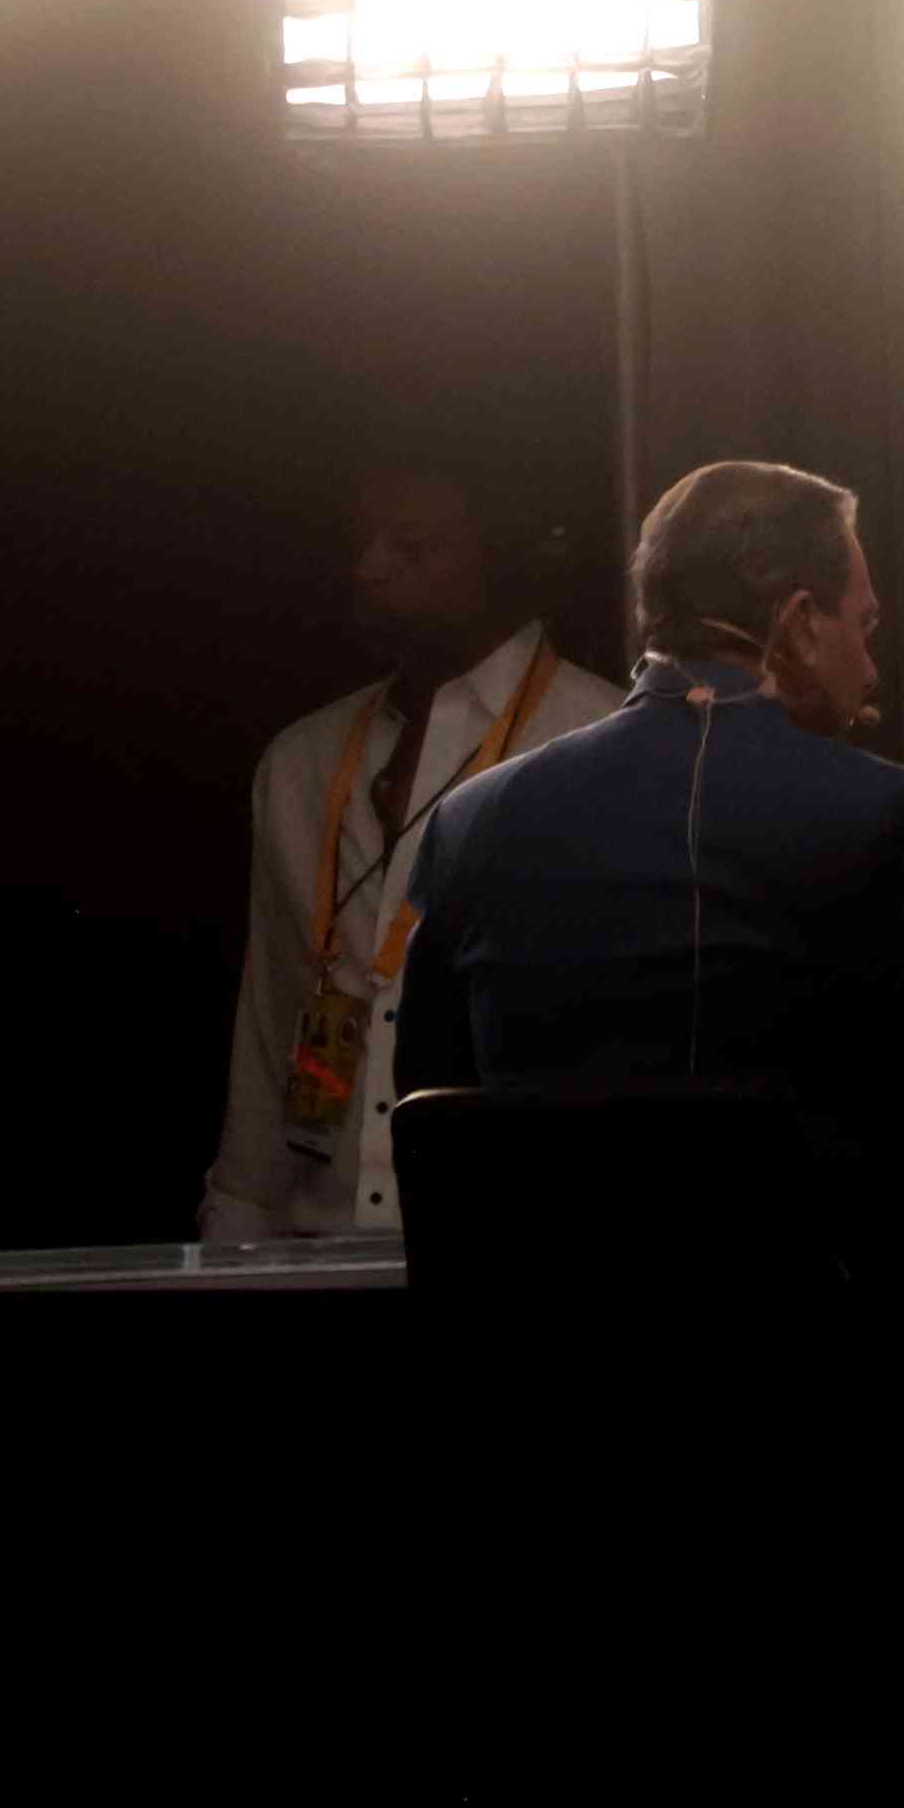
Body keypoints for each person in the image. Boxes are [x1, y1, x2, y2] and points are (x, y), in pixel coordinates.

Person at [391, 459, 904, 1275]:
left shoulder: (469, 822)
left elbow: (439, 1152)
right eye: (862, 629)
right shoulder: (884, 818)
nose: (869, 672)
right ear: (797, 624)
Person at [198, 459, 621, 1242]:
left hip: (513, 1263)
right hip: (308, 1254)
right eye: (363, 540)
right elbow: (269, 1017)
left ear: (501, 557)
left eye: (412, 546)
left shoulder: (600, 748)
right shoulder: (302, 763)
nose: (368, 568)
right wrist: (236, 1235)